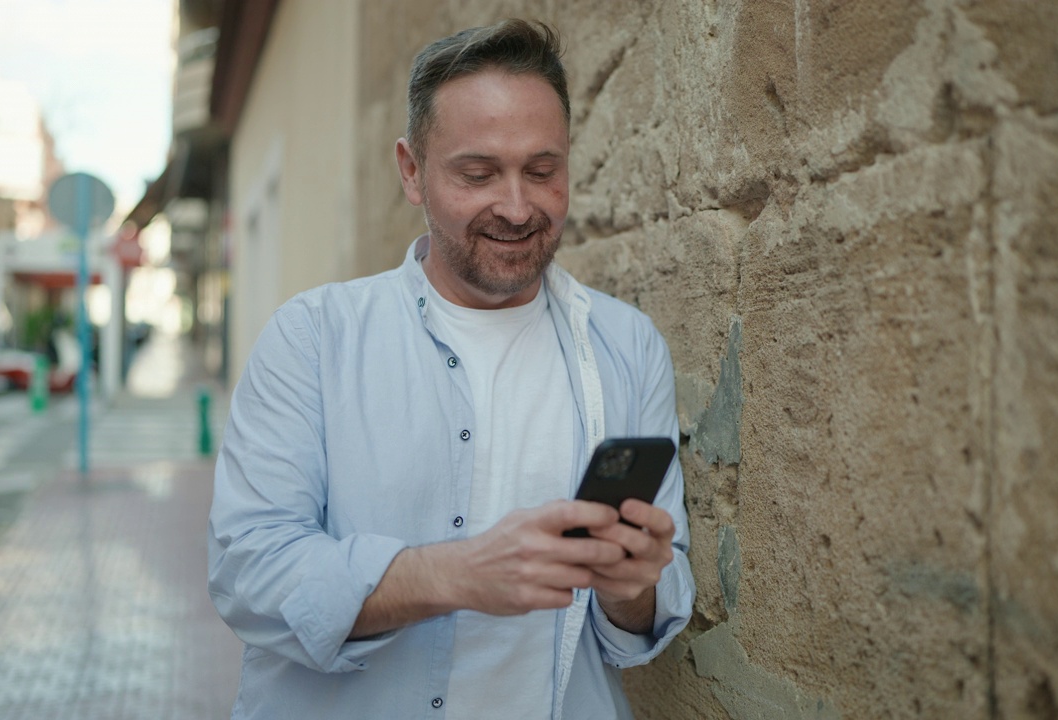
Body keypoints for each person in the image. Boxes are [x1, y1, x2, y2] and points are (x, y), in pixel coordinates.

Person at [208, 19, 694, 720]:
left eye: (542, 170)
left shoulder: (629, 346)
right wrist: (459, 574)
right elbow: (249, 571)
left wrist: (630, 584)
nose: (518, 207)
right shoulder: (313, 338)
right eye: (478, 173)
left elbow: (645, 620)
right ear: (411, 171)